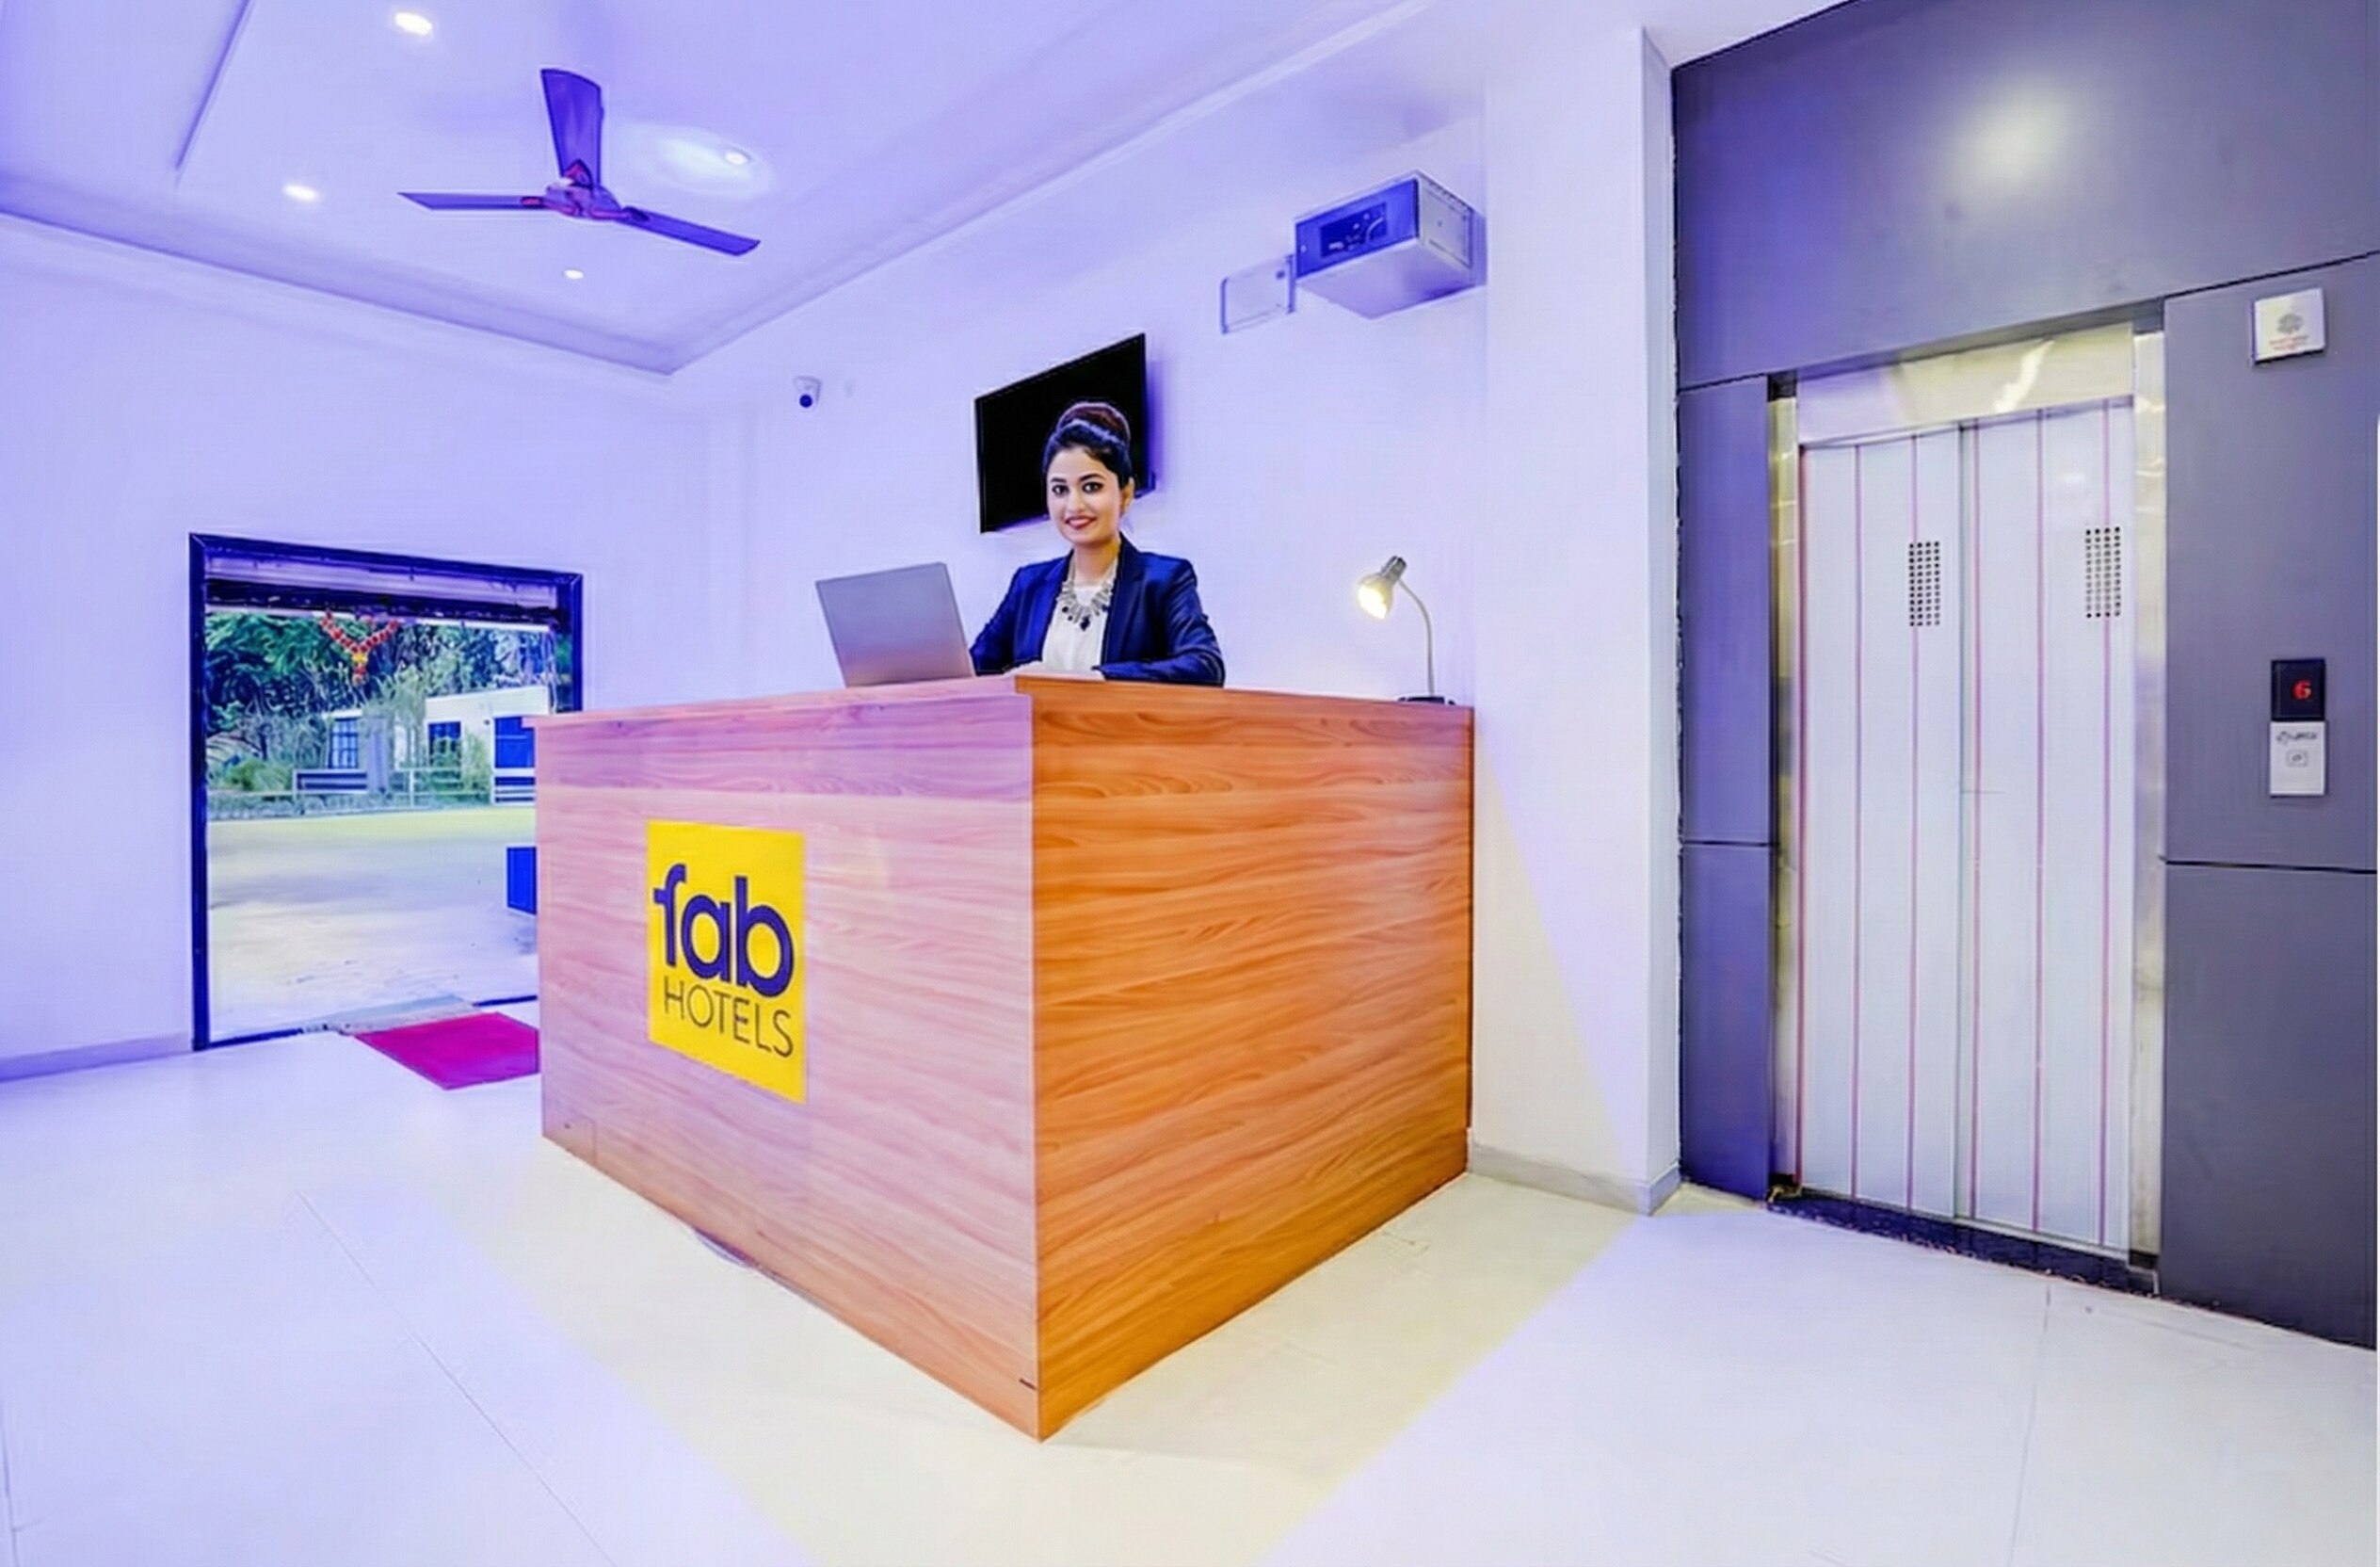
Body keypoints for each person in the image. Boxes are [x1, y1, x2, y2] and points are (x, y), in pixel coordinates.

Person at [970, 402, 1225, 685]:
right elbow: (971, 671)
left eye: (1091, 487)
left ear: (1125, 494)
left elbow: (1204, 665)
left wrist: (1094, 679)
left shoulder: (1165, 579)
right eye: (1060, 489)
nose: (1074, 505)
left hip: (1124, 716)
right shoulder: (1027, 585)